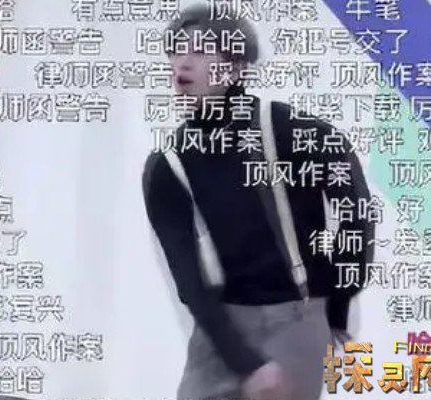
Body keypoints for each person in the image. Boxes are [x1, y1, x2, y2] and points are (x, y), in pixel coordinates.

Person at [141, 3, 375, 400]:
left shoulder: (299, 133)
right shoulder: (168, 165)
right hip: (221, 329)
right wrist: (245, 362)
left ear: (235, 68)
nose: (183, 62)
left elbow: (357, 217)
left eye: (200, 51)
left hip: (295, 319)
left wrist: (336, 305)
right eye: (176, 52)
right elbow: (189, 282)